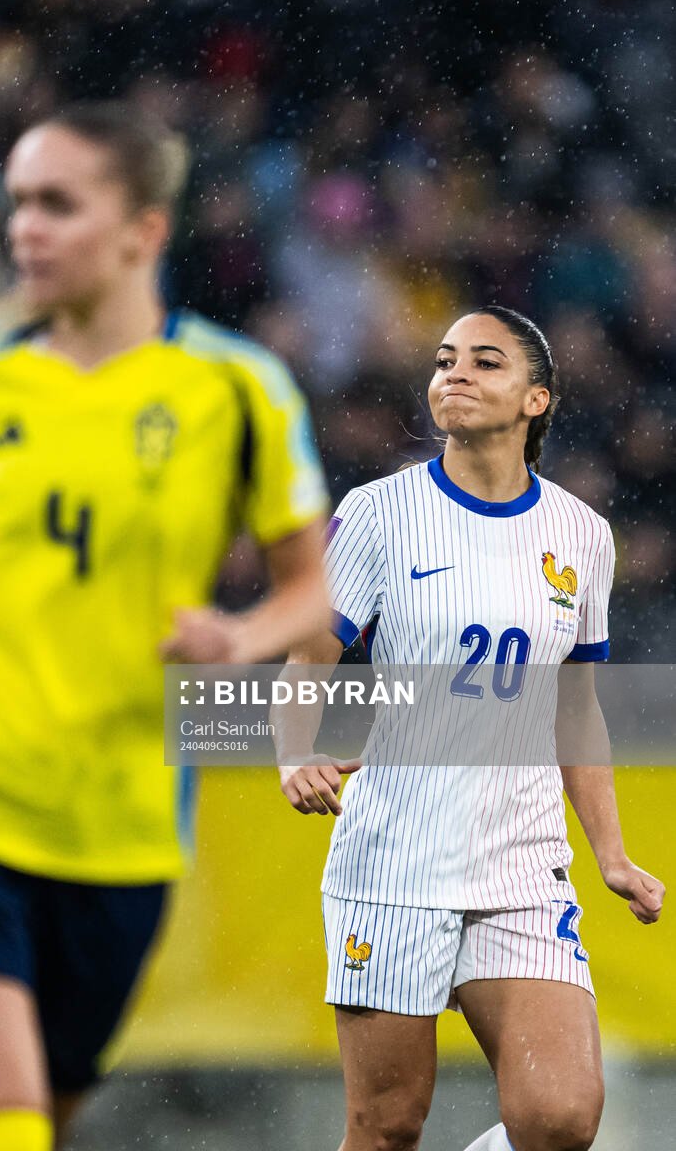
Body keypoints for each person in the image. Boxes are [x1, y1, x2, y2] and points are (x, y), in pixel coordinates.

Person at [0, 101, 330, 1151]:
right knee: (0, 1123)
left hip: (121, 829)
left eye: (57, 204)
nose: (25, 230)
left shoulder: (236, 389)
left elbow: (313, 585)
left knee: (31, 1126)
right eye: (17, 204)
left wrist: (238, 641)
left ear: (143, 229)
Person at [279, 306, 665, 1151]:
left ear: (535, 400)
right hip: (394, 860)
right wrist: (292, 754)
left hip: (522, 864)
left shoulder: (581, 534)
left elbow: (575, 707)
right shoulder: (379, 514)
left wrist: (608, 853)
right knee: (385, 1128)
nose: (453, 373)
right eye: (445, 359)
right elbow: (306, 660)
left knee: (560, 1118)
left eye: (484, 363)